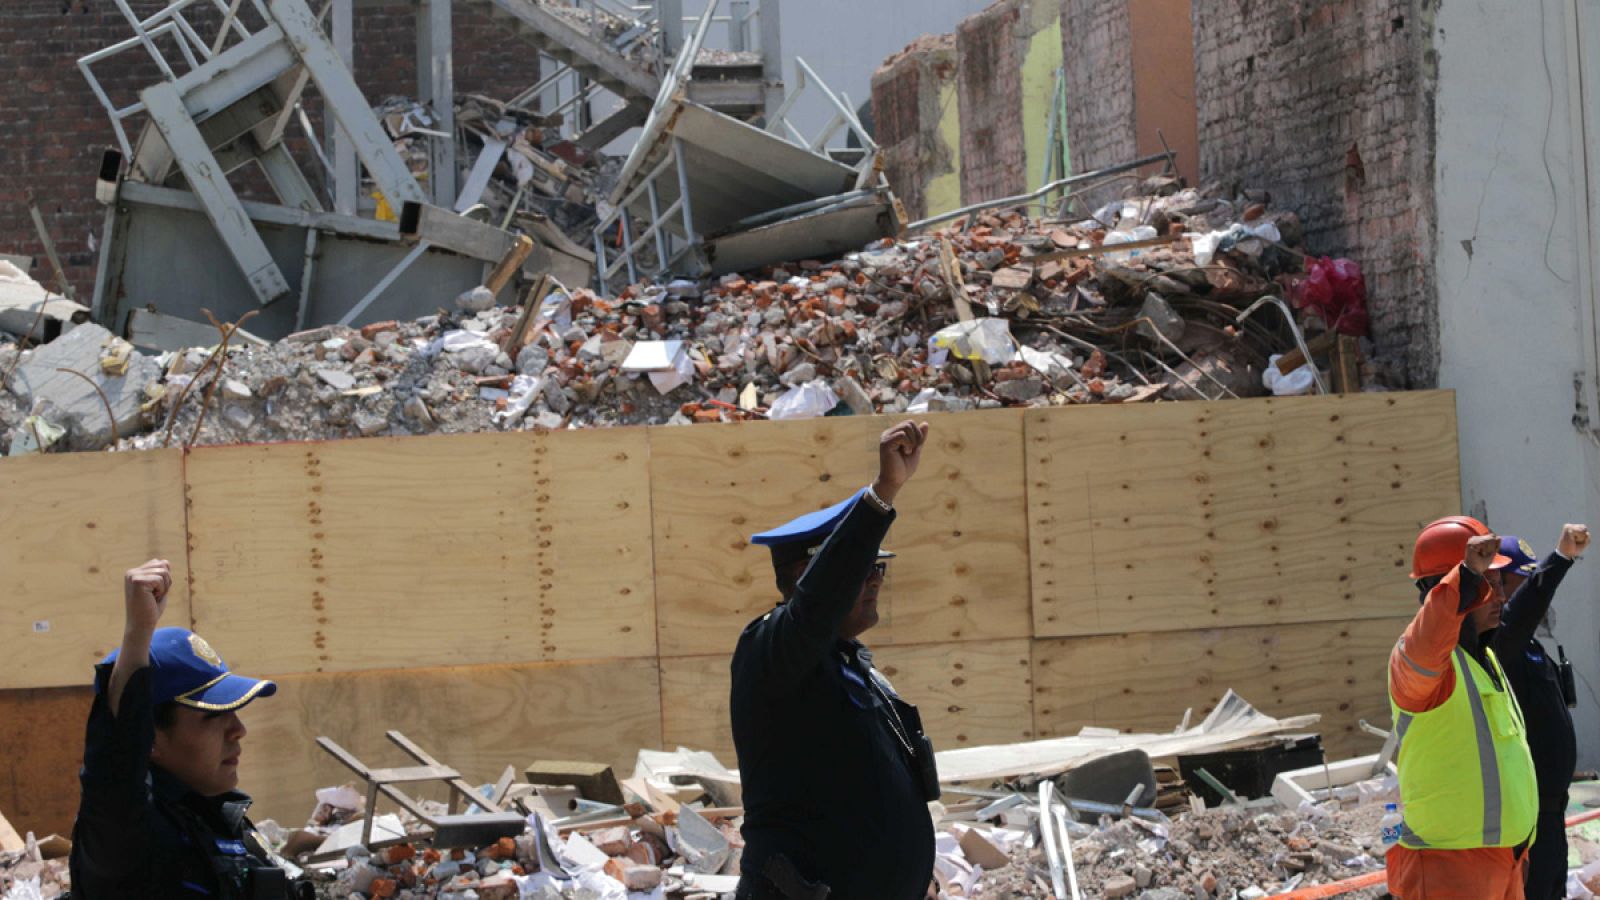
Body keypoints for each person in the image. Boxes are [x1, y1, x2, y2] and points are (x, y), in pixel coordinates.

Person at [730, 421, 938, 900]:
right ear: (810, 576)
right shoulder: (772, 650)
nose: (875, 580)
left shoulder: (849, 664)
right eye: (865, 568)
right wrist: (882, 493)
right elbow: (816, 605)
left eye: (879, 568)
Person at [69, 559, 308, 899]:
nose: (238, 730)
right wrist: (138, 632)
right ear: (150, 738)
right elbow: (115, 764)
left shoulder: (218, 817)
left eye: (235, 713)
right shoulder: (126, 838)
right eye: (214, 717)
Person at [1386, 516, 1540, 899]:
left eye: (1498, 583)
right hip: (1449, 868)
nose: (1501, 596)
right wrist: (1465, 578)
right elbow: (1428, 643)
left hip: (1505, 860)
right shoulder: (1422, 664)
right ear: (1451, 590)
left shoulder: (1481, 658)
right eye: (1488, 584)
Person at [1490, 526, 1590, 899]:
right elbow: (1520, 611)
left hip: (1550, 813)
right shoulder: (1500, 642)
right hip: (1527, 817)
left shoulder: (1528, 644)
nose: (1531, 590)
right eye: (1519, 581)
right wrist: (1561, 559)